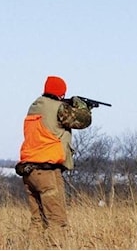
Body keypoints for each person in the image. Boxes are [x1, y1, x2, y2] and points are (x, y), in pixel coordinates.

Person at [15, 75, 92, 248]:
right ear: (61, 93)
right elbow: (83, 120)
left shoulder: (34, 107)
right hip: (47, 172)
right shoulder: (59, 108)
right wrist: (82, 106)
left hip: (29, 172)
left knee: (37, 221)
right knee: (57, 221)